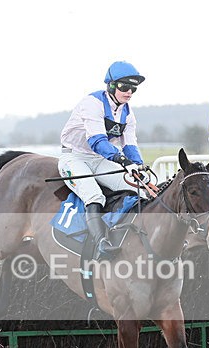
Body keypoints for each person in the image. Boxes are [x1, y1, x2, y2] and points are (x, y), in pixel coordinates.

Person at [58, 60, 149, 257]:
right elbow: (97, 141)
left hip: (99, 160)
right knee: (94, 195)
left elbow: (130, 144)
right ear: (111, 86)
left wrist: (139, 165)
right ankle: (101, 243)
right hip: (74, 158)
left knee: (139, 187)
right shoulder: (92, 103)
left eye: (133, 89)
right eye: (125, 87)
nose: (129, 92)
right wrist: (124, 162)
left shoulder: (128, 113)